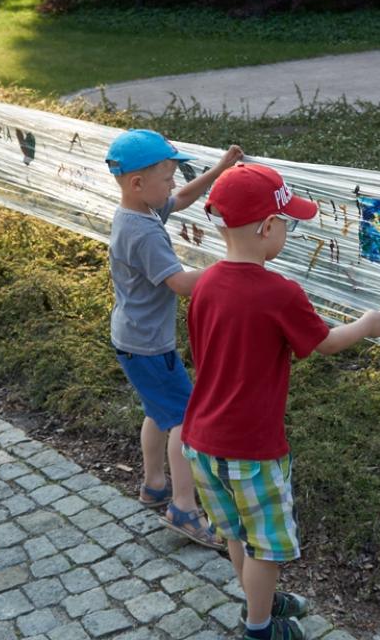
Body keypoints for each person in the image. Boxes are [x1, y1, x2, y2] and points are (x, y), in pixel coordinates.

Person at [181, 162, 380, 640]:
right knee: (267, 547)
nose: (290, 232)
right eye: (289, 224)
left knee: (235, 532)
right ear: (267, 227)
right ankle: (260, 627)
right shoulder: (279, 292)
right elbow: (327, 342)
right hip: (251, 448)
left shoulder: (206, 282)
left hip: (200, 438)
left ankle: (260, 599)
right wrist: (367, 325)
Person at [106, 128, 242, 548]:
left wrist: (219, 170)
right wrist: (236, 267)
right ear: (138, 183)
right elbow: (181, 283)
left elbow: (179, 201)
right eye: (167, 177)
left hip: (132, 338)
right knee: (188, 420)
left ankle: (153, 485)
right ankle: (184, 508)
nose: (173, 186)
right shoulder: (143, 232)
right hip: (149, 346)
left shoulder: (138, 210)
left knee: (159, 413)